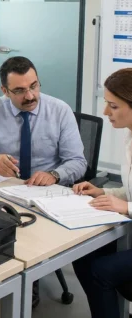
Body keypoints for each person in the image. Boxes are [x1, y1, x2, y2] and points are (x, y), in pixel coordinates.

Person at [0, 56, 87, 186]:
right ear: (5, 91)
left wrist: (54, 175)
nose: (29, 96)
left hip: (48, 189)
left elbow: (77, 162)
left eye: (33, 86)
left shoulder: (60, 110)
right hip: (7, 186)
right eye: (19, 91)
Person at [72, 68, 132, 318]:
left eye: (113, 106)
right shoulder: (130, 136)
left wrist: (127, 207)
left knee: (101, 271)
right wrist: (101, 192)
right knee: (84, 256)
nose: (106, 112)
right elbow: (130, 190)